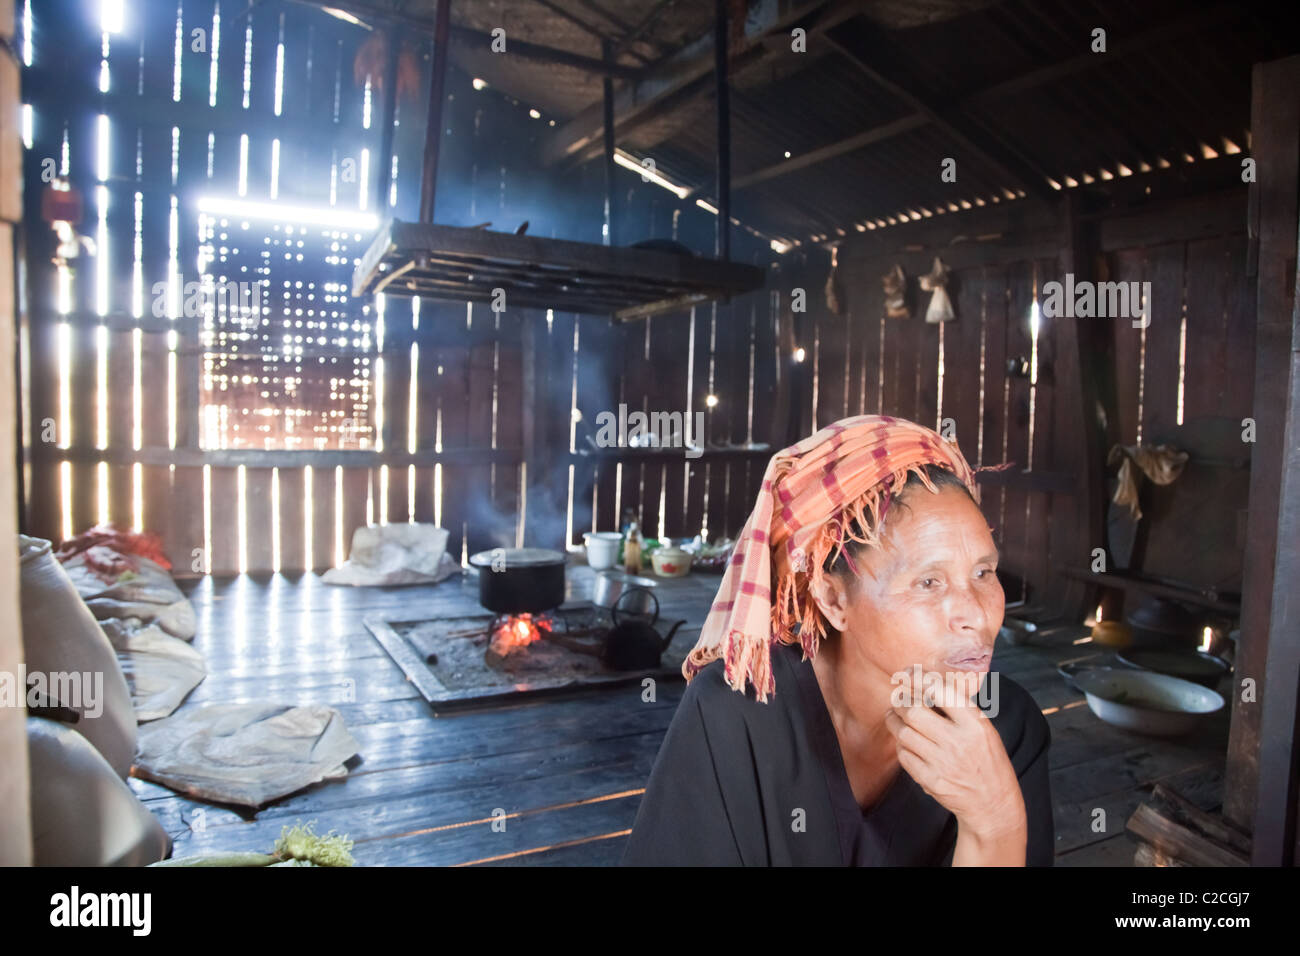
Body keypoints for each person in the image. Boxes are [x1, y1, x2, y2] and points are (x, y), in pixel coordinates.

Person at [621, 415, 1053, 866]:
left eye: (983, 572)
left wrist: (996, 820)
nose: (976, 614)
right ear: (832, 598)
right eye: (929, 582)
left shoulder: (1007, 727)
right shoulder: (736, 715)